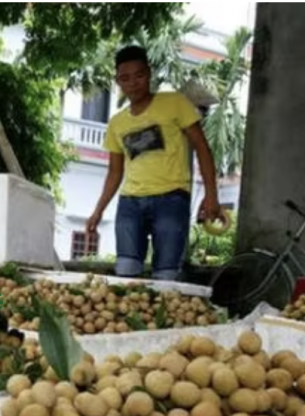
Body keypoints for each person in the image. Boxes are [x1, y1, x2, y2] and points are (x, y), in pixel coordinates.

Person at [85, 45, 224, 281]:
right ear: (118, 81)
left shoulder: (174, 103)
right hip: (130, 203)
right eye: (125, 78)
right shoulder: (117, 123)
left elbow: (202, 148)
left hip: (171, 199)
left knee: (167, 276)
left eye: (139, 75)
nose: (133, 83)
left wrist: (211, 195)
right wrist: (98, 211)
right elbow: (114, 173)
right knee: (126, 273)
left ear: (148, 73)